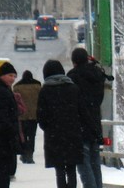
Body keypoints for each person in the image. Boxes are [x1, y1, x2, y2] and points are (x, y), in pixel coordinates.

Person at [37, 59, 91, 188]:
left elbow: (41, 116)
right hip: (73, 134)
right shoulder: (73, 88)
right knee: (71, 168)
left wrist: (49, 128)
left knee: (59, 169)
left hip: (54, 136)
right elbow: (83, 112)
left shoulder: (45, 91)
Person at [67, 48, 107, 188]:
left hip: (79, 125)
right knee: (95, 164)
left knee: (84, 164)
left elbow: (72, 102)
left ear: (74, 62)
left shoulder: (72, 77)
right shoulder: (98, 74)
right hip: (95, 123)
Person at [13, 70, 42, 164]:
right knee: (32, 136)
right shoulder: (38, 86)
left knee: (23, 136)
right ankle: (30, 155)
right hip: (34, 116)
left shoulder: (17, 87)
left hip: (22, 116)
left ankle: (24, 154)